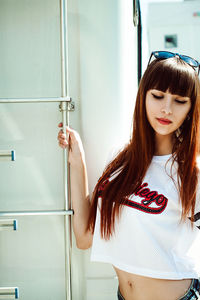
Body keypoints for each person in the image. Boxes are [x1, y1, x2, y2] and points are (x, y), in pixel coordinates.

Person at [57, 51, 200, 300]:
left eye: (179, 101)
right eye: (157, 96)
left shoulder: (191, 172)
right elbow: (84, 237)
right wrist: (77, 159)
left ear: (191, 108)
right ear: (143, 96)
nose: (166, 109)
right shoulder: (120, 161)